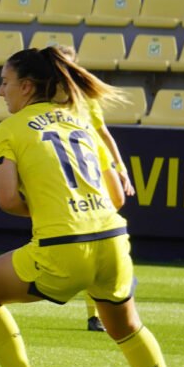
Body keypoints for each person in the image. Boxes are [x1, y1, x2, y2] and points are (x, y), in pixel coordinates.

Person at [0, 47, 184, 367]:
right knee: (127, 327)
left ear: (28, 86)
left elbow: (6, 199)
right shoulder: (79, 120)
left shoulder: (8, 130)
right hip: (113, 237)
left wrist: (52, 209)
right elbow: (118, 196)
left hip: (63, 245)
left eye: (5, 82)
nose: (1, 92)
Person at [58, 45, 136, 333]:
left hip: (95, 171)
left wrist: (121, 169)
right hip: (70, 176)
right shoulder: (48, 102)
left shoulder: (86, 98)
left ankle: (98, 310)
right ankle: (100, 305)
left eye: (67, 64)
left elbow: (104, 135)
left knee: (98, 236)